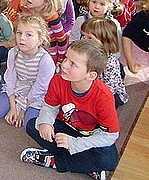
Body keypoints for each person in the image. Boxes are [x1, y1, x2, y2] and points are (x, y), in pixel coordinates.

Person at [20, 39, 119, 178]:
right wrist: (45, 122)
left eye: (73, 64)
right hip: (65, 128)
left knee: (109, 160)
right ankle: (86, 166)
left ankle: (54, 161)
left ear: (90, 76)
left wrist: (75, 143)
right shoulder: (58, 80)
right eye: (66, 58)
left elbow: (110, 135)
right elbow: (50, 106)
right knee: (32, 125)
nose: (64, 65)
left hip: (90, 137)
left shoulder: (104, 97)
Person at [0, 15, 54, 126]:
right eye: (19, 33)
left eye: (29, 35)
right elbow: (10, 79)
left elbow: (40, 88)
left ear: (40, 40)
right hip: (18, 88)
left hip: (36, 95)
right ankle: (15, 104)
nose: (22, 38)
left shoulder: (45, 60)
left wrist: (22, 112)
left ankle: (26, 110)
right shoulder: (13, 52)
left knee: (30, 123)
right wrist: (13, 108)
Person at [81, 17, 128, 108]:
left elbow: (110, 89)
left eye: (90, 38)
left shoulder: (109, 62)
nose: (84, 40)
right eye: (83, 36)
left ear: (105, 42)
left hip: (109, 93)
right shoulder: (85, 53)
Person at [20, 0, 67, 64]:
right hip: (30, 53)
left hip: (49, 56)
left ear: (47, 1)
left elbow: (61, 40)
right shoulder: (26, 12)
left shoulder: (52, 18)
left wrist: (61, 59)